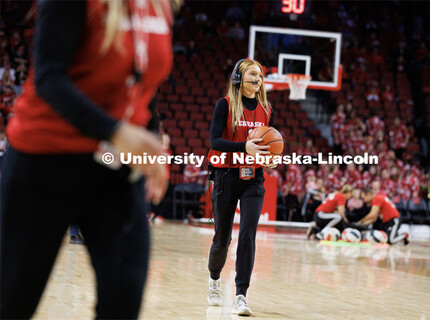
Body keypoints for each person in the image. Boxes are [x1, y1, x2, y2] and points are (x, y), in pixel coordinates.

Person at [0, 1, 173, 318]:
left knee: (124, 298)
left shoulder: (159, 6)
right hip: (46, 162)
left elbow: (143, 82)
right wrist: (118, 131)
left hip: (112, 164)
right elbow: (50, 79)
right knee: (13, 303)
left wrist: (151, 137)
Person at [206, 58, 274, 316]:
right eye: (252, 76)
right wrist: (242, 147)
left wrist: (271, 159)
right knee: (222, 239)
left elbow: (267, 145)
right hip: (225, 176)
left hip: (254, 180)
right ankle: (214, 280)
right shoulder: (224, 105)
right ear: (238, 79)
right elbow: (214, 140)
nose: (257, 80)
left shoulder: (267, 109)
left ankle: (241, 295)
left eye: (259, 76)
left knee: (248, 234)